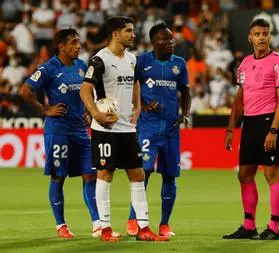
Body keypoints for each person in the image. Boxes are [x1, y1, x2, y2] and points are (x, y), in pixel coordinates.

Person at [80, 16, 169, 242]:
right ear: (115, 34)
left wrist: (137, 107)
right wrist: (96, 113)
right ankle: (106, 229)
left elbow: (135, 82)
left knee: (138, 174)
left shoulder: (131, 59)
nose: (133, 34)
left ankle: (144, 228)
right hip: (105, 129)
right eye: (128, 31)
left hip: (127, 128)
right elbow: (85, 90)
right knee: (105, 174)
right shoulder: (99, 60)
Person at [20, 29, 103, 239]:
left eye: (79, 42)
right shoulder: (48, 68)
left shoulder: (82, 66)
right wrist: (45, 110)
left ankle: (97, 223)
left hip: (80, 131)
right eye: (74, 42)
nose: (78, 46)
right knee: (59, 176)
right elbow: (25, 91)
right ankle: (61, 225)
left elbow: (88, 92)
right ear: (61, 46)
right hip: (58, 130)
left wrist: (88, 111)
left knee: (90, 175)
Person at [223, 18, 279, 240]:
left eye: (265, 33)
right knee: (244, 175)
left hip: (270, 121)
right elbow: (239, 99)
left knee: (272, 173)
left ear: (270, 37)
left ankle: (274, 227)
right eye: (257, 34)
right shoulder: (244, 64)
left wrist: (274, 130)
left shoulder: (278, 63)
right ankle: (249, 226)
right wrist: (231, 128)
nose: (262, 37)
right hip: (250, 123)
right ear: (250, 38)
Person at [126, 22, 191, 237]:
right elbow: (130, 88)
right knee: (143, 172)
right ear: (154, 42)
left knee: (170, 176)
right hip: (148, 127)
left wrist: (185, 112)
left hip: (171, 129)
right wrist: (142, 105)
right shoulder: (141, 61)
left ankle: (164, 224)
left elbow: (185, 91)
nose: (170, 42)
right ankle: (133, 220)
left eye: (172, 39)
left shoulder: (179, 64)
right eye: (165, 39)